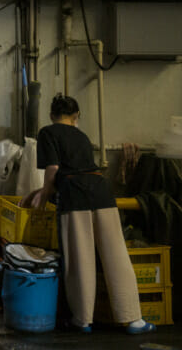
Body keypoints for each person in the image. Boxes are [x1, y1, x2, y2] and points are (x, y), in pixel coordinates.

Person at [22, 95, 153, 334]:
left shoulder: (48, 133)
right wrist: (40, 191)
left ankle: (82, 320)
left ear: (52, 115)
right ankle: (134, 319)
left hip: (75, 197)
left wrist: (44, 193)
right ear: (76, 117)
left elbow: (53, 169)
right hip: (102, 192)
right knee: (116, 254)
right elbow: (79, 168)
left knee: (80, 258)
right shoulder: (81, 136)